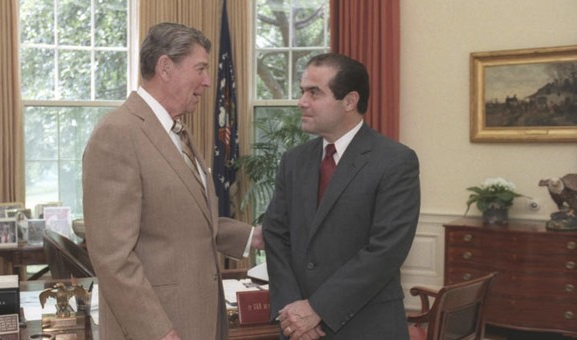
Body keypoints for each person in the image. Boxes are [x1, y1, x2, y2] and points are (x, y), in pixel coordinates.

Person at [82, 22, 263, 340]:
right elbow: (113, 256)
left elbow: (182, 219)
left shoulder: (177, 131)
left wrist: (253, 237)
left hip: (199, 320)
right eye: (200, 69)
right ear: (165, 67)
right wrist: (158, 331)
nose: (207, 82)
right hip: (160, 328)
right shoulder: (117, 133)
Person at [263, 53, 420, 340]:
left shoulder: (395, 161)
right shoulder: (293, 161)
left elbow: (385, 251)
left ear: (349, 101)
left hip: (367, 326)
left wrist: (317, 309)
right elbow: (275, 233)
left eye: (314, 92)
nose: (302, 102)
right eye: (302, 92)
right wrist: (293, 310)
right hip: (298, 328)